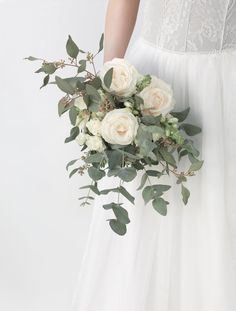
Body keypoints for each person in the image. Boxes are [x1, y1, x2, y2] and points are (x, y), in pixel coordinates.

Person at [71, 1, 236, 310]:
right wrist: (110, 86)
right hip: (154, 79)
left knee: (219, 206)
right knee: (143, 218)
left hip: (225, 86)